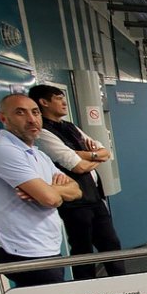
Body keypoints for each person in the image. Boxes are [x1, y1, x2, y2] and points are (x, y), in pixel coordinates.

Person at [0, 94, 81, 287]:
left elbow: (76, 190)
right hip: (25, 252)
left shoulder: (38, 155)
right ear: (3, 118)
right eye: (20, 113)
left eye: (35, 113)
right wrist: (53, 193)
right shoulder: (1, 150)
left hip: (46, 246)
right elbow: (51, 200)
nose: (32, 119)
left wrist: (48, 189)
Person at [28, 85, 126, 281]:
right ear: (44, 102)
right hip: (74, 203)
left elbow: (105, 152)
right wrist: (92, 157)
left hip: (95, 197)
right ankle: (85, 291)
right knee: (83, 251)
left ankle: (123, 284)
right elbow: (76, 167)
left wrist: (84, 155)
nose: (64, 103)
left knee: (111, 243)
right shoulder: (44, 133)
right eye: (58, 98)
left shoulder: (71, 127)